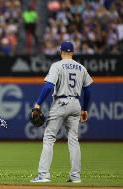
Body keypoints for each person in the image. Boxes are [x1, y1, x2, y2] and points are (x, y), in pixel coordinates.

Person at [30, 41, 93, 183]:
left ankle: (43, 175)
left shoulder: (57, 65)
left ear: (60, 51)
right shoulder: (81, 67)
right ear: (73, 52)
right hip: (76, 103)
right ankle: (75, 176)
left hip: (60, 102)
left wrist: (38, 104)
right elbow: (88, 90)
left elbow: (48, 86)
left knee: (49, 138)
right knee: (73, 140)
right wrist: (85, 109)